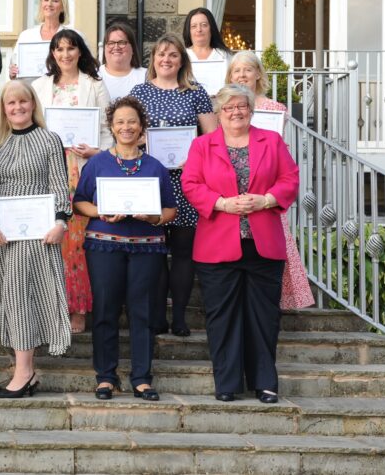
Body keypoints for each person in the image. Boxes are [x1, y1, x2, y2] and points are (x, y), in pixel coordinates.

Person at [181, 84, 300, 404]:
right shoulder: (203, 145)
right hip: (217, 245)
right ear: (219, 113)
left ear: (251, 109)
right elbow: (190, 184)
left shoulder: (271, 141)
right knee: (222, 316)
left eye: (241, 106)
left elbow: (290, 179)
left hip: (263, 243)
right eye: (229, 107)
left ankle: (265, 383)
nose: (236, 112)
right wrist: (221, 204)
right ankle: (228, 382)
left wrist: (266, 199)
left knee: (264, 316)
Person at [73, 97, 177, 401]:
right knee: (105, 310)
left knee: (141, 312)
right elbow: (79, 201)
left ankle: (142, 378)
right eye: (120, 122)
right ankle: (106, 377)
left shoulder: (155, 166)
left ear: (142, 127)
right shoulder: (97, 163)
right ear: (112, 127)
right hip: (104, 247)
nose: (126, 127)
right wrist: (100, 212)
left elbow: (170, 210)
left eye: (132, 121)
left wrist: (154, 217)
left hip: (147, 248)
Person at [0, 80, 71, 398]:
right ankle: (25, 370)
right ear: (3, 109)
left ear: (33, 104)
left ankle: (23, 371)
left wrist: (61, 223)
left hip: (39, 236)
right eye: (10, 103)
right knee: (12, 300)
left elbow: (59, 185)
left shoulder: (49, 140)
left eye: (23, 102)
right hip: (3, 236)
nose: (17, 108)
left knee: (22, 298)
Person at [129, 33, 218, 338]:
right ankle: (156, 316)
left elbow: (212, 137)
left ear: (182, 61)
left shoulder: (195, 93)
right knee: (153, 251)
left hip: (186, 181)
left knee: (182, 252)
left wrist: (193, 157)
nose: (166, 60)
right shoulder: (139, 92)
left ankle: (178, 317)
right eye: (161, 55)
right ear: (153, 60)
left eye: (173, 55)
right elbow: (129, 132)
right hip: (149, 180)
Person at [30, 29, 111, 335]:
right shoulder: (39, 86)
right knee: (51, 240)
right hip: (48, 170)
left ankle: (78, 308)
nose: (65, 54)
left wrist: (97, 152)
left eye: (70, 48)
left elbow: (106, 128)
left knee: (77, 242)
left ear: (80, 52)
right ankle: (52, 307)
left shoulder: (95, 85)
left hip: (83, 168)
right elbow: (33, 126)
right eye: (59, 49)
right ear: (52, 54)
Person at [226, 51, 313, 310]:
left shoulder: (275, 109)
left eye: (247, 70)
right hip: (235, 188)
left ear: (258, 75)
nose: (242, 75)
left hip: (265, 187)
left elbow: (281, 152)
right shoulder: (226, 106)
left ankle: (279, 300)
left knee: (273, 240)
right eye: (236, 70)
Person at [9, 0, 77, 79]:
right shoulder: (26, 36)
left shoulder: (74, 36)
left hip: (63, 90)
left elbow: (86, 67)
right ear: (41, 4)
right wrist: (13, 72)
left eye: (55, 1)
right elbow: (15, 68)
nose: (49, 4)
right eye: (46, 0)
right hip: (32, 91)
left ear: (62, 7)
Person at [182, 7, 233, 98]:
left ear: (211, 28)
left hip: (221, 108)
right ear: (188, 31)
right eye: (194, 26)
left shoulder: (224, 56)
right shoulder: (182, 56)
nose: (199, 30)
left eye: (204, 25)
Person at [98, 19, 147, 100]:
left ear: (133, 48)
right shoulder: (95, 75)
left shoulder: (146, 76)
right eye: (111, 43)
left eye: (122, 42)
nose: (116, 47)